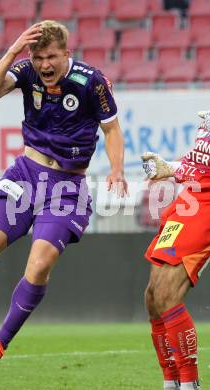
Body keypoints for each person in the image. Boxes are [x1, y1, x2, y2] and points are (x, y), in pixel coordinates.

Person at [0, 20, 127, 374]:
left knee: (38, 265)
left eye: (51, 56)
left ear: (67, 53)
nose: (44, 65)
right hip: (26, 174)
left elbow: (111, 129)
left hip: (67, 187)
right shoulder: (26, 70)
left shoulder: (91, 82)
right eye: (38, 57)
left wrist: (116, 170)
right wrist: (12, 52)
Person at [141, 111, 210, 390]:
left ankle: (189, 383)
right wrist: (169, 167)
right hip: (187, 202)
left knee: (168, 295)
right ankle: (171, 381)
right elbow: (200, 165)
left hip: (205, 207)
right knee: (153, 298)